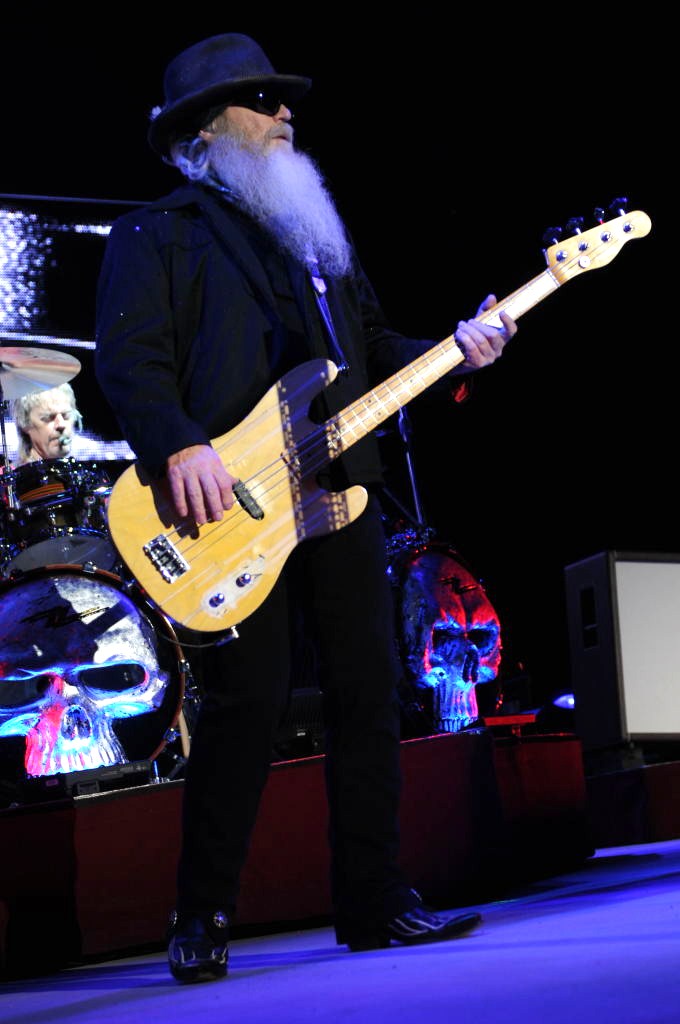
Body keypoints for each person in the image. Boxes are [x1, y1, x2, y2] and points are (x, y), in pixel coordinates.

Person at [94, 32, 517, 984]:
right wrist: (178, 442)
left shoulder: (316, 238)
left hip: (336, 492)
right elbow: (129, 361)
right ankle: (202, 913)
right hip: (226, 510)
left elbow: (370, 349)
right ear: (205, 131)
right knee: (247, 705)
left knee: (370, 690)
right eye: (261, 99)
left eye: (283, 98)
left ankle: (376, 900)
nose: (286, 112)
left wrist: (456, 351)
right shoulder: (156, 235)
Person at [11, 382, 82, 464]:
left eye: (66, 416)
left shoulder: (85, 470)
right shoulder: (8, 472)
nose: (61, 425)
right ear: (24, 423)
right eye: (48, 418)